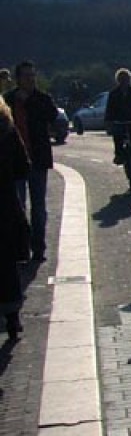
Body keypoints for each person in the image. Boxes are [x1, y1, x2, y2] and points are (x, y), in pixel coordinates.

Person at [4, 60, 58, 262]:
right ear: (18, 79)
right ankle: (21, 246)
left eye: (33, 76)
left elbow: (52, 116)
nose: (31, 79)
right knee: (18, 206)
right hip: (14, 162)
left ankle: (38, 248)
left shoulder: (42, 99)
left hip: (37, 159)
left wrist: (29, 102)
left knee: (39, 207)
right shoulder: (7, 100)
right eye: (27, 76)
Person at [0, 99, 31, 341]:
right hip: (4, 205)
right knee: (7, 262)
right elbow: (23, 167)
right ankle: (12, 318)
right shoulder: (7, 128)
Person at [104, 67, 131, 179]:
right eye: (121, 79)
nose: (124, 81)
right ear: (118, 80)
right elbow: (109, 109)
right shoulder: (113, 94)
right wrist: (109, 123)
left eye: (126, 78)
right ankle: (119, 155)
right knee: (117, 138)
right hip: (119, 122)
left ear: (130, 79)